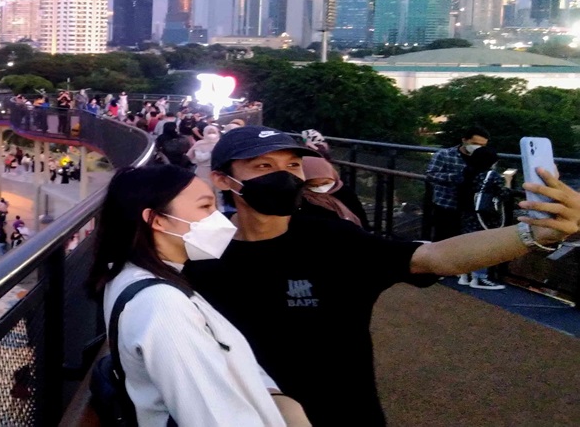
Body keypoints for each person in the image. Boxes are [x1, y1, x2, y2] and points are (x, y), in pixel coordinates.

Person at [184, 125, 580, 426]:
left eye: (292, 165)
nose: (284, 176)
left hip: (345, 415)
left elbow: (435, 257)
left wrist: (533, 235)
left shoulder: (334, 239)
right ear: (222, 179)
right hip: (240, 414)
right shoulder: (199, 249)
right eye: (263, 167)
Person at [86, 165, 308, 427]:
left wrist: (273, 395)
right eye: (205, 207)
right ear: (156, 220)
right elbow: (213, 418)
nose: (219, 218)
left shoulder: (134, 277)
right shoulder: (162, 305)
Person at [425, 126, 490, 241]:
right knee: (443, 240)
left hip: (472, 208)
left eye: (482, 145)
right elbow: (431, 175)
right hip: (447, 205)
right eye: (475, 143)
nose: (478, 148)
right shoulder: (444, 155)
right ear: (464, 140)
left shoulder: (485, 158)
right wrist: (457, 177)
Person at [455, 145, 506, 290]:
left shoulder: (466, 171)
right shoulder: (492, 176)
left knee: (468, 243)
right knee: (484, 246)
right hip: (485, 216)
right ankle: (480, 278)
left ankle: (465, 275)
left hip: (468, 213)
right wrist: (507, 182)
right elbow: (503, 194)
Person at [295, 156, 368, 230]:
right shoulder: (301, 199)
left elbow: (361, 216)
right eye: (312, 185)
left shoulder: (345, 192)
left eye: (325, 183)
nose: (321, 188)